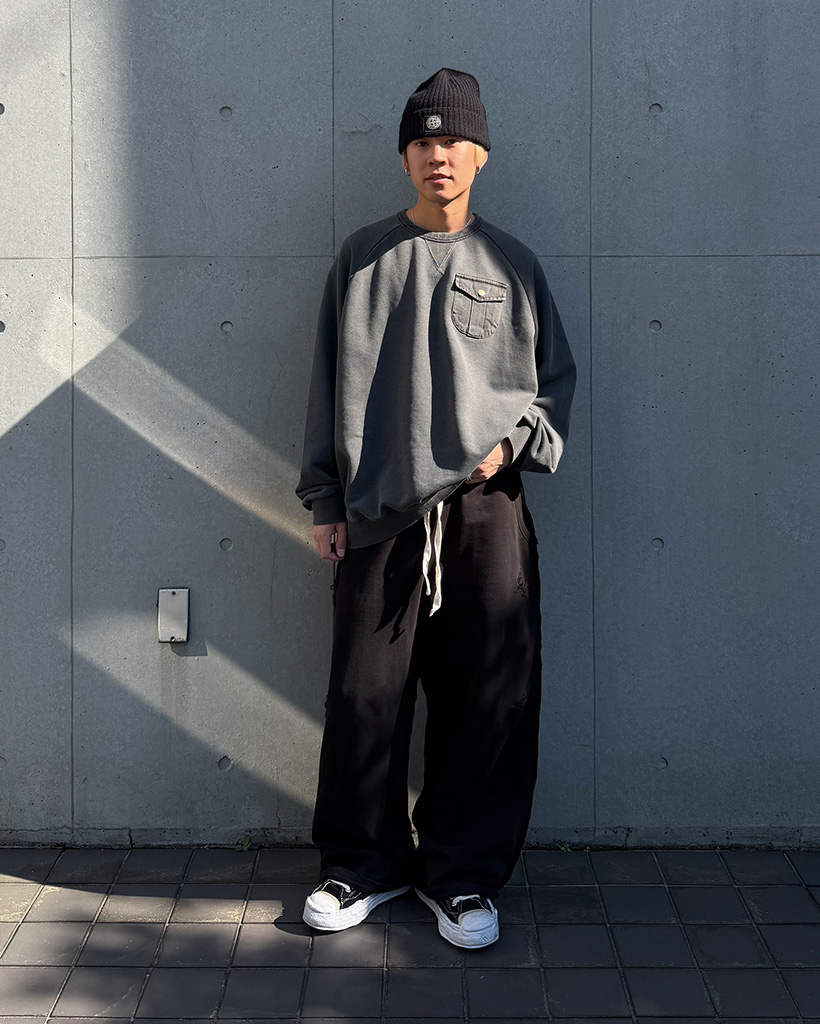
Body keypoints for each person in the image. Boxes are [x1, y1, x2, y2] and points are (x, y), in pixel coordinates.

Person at [294, 67, 576, 949]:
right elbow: (324, 383)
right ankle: (364, 865)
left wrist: (512, 445)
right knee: (363, 697)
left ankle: (461, 875)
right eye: (421, 140)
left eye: (452, 139)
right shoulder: (363, 257)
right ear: (405, 158)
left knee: (489, 696)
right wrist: (325, 496)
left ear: (480, 154)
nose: (437, 153)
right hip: (379, 508)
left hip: (486, 511)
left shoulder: (514, 263)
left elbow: (554, 386)